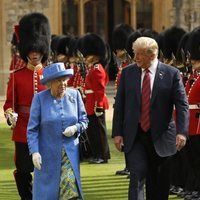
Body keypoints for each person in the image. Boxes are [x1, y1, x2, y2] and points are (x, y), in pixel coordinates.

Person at [112, 36, 189, 200]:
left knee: (158, 183)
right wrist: (117, 133)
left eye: (139, 54)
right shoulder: (128, 73)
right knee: (137, 175)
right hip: (135, 135)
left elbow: (182, 105)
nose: (135, 58)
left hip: (162, 136)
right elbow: (120, 105)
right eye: (135, 53)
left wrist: (182, 132)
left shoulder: (171, 74)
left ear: (152, 55)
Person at [3, 12, 51, 200]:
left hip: (46, 129)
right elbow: (9, 103)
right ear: (26, 51)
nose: (34, 54)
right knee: (23, 171)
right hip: (23, 128)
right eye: (31, 51)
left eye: (37, 51)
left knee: (46, 169)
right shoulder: (17, 75)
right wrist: (10, 115)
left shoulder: (50, 74)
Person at [27, 62, 88, 200]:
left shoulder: (75, 95)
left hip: (70, 155)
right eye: (58, 81)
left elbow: (84, 121)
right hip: (46, 156)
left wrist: (75, 128)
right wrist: (35, 152)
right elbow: (32, 129)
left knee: (70, 188)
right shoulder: (39, 99)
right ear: (49, 83)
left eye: (64, 80)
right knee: (48, 194)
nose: (63, 84)